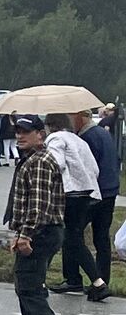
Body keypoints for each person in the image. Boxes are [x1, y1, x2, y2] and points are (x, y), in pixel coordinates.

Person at [5, 113, 69, 315]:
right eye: (18, 131)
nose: (20, 135)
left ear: (40, 134)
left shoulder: (40, 161)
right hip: (39, 230)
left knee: (30, 290)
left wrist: (25, 235)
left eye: (26, 131)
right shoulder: (30, 159)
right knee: (26, 286)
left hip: (42, 231)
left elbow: (38, 205)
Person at [46, 112, 102, 302]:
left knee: (68, 238)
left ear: (50, 126)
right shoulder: (79, 141)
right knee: (73, 238)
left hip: (70, 193)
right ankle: (86, 280)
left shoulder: (56, 138)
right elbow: (95, 169)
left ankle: (97, 282)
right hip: (88, 193)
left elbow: (56, 162)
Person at [75, 107, 117, 304]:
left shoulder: (88, 138)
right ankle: (103, 280)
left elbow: (88, 167)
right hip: (110, 190)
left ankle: (75, 278)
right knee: (102, 238)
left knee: (73, 234)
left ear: (81, 117)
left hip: (94, 192)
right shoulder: (102, 132)